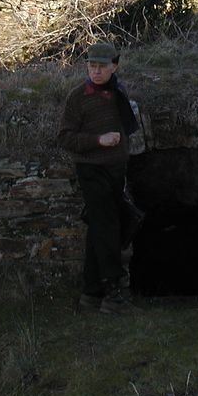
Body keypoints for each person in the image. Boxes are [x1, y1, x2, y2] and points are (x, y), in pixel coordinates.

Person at [58, 41, 140, 314]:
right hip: (91, 170)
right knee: (107, 229)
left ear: (114, 66)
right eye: (92, 66)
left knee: (103, 227)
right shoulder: (78, 97)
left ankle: (90, 295)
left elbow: (127, 128)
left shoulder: (119, 91)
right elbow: (66, 138)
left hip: (116, 171)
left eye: (102, 67)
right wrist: (98, 140)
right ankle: (114, 295)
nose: (96, 72)